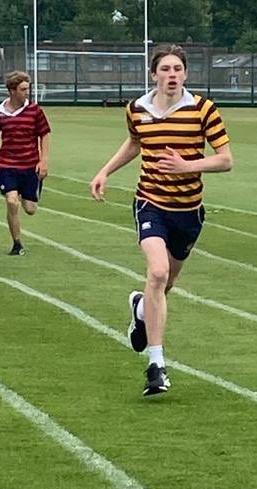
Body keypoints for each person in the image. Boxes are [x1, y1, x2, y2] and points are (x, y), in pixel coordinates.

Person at [90, 45, 233, 397]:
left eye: (178, 69)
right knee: (157, 273)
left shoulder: (202, 110)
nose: (172, 75)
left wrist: (188, 166)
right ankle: (156, 366)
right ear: (154, 74)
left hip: (188, 211)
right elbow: (135, 142)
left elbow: (226, 159)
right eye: (166, 69)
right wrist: (105, 171)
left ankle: (140, 308)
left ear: (186, 74)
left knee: (163, 286)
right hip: (150, 203)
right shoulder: (136, 109)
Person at [0, 70, 50, 255]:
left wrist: (44, 161)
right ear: (12, 90)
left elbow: (44, 135)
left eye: (27, 89)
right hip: (7, 164)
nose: (27, 93)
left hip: (30, 164)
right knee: (12, 202)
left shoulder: (35, 111)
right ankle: (17, 244)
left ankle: (25, 193)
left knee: (30, 209)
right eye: (23, 89)